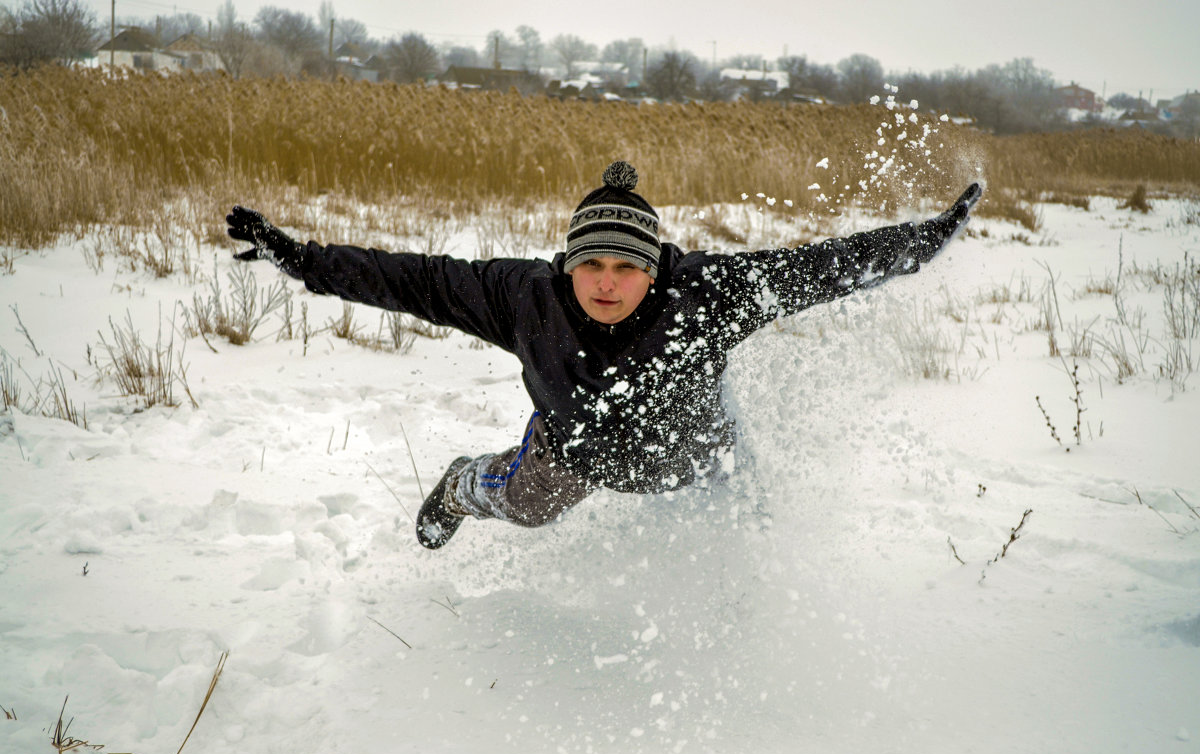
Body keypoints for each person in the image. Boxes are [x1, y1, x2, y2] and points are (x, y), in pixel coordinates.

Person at [227, 161, 981, 550]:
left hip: (701, 454)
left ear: (654, 269)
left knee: (753, 528)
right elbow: (415, 280)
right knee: (526, 509)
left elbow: (816, 269)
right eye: (593, 266)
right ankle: (462, 485)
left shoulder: (705, 295)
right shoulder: (526, 299)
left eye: (627, 268)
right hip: (573, 453)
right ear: (568, 264)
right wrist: (303, 260)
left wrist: (928, 238)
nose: (609, 284)